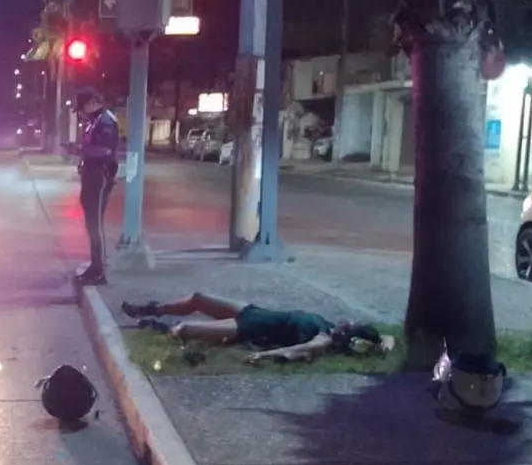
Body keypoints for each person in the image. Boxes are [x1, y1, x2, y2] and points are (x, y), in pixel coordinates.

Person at [121, 293, 393, 364]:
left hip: (246, 328)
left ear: (347, 338)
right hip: (255, 311)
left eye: (349, 327)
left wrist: (263, 356)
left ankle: (159, 326)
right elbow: (388, 337)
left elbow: (296, 349)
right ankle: (150, 308)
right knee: (198, 298)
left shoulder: (324, 339)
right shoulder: (330, 326)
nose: (346, 323)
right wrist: (381, 344)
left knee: (186, 329)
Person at [74, 89, 120, 286]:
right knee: (91, 224)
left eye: (83, 107)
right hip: (90, 174)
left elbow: (105, 150)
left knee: (95, 225)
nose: (83, 112)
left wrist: (81, 150)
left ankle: (99, 271)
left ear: (93, 102)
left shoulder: (105, 121)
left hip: (100, 175)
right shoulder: (95, 121)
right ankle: (94, 266)